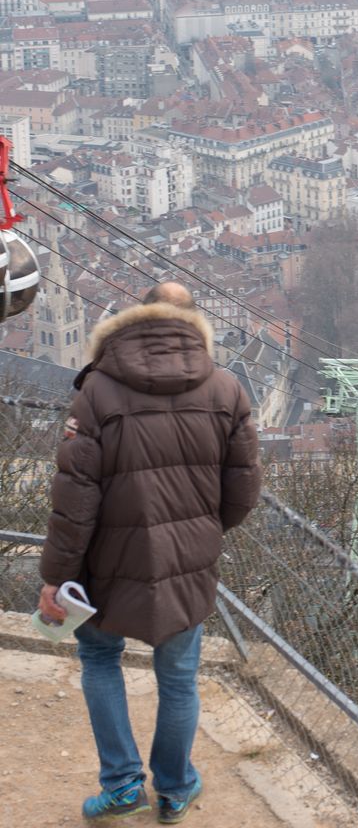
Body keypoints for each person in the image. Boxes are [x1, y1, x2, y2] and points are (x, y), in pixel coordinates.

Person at [39, 282, 262, 823]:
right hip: (188, 560)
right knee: (180, 678)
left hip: (105, 558)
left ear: (139, 317)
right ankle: (175, 787)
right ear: (195, 325)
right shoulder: (227, 389)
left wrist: (56, 576)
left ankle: (120, 785)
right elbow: (244, 490)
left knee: (98, 659)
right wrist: (202, 533)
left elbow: (75, 496)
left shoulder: (97, 391)